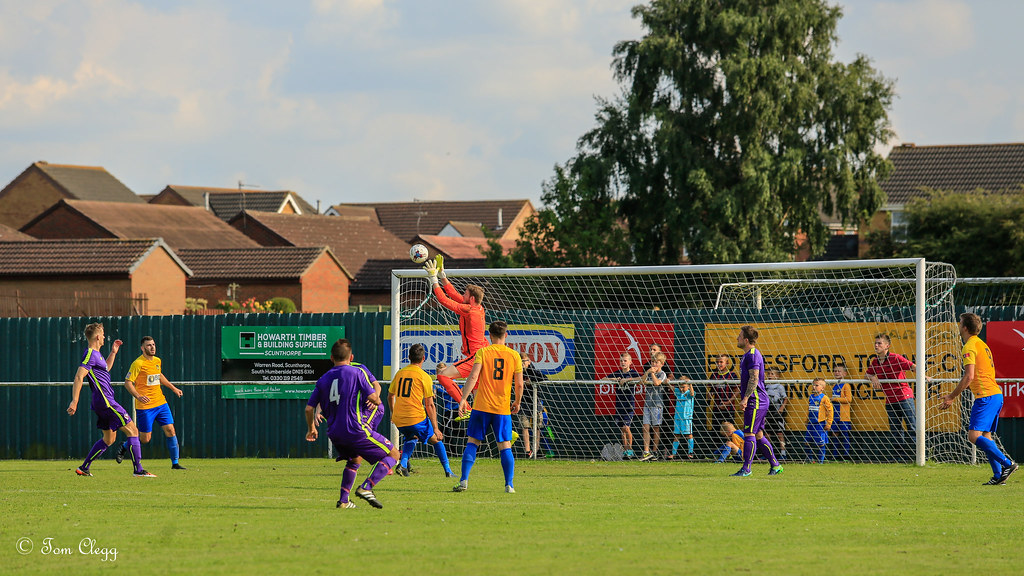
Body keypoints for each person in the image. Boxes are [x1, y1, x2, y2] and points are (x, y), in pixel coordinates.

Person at [305, 338, 399, 509]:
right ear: (351, 357)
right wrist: (377, 400)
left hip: (334, 433)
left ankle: (343, 501)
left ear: (331, 358)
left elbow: (309, 409)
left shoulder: (323, 379)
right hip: (355, 429)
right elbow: (374, 398)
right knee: (394, 455)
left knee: (355, 459)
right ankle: (366, 487)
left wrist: (311, 428)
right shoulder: (357, 372)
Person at [66, 323, 155, 478]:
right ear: (97, 337)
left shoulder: (97, 355)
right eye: (103, 334)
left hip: (102, 402)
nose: (104, 337)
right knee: (133, 431)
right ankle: (138, 470)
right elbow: (79, 376)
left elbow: (105, 368)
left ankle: (84, 468)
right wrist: (74, 401)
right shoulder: (90, 354)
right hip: (106, 401)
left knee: (109, 439)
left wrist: (113, 352)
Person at [940, 313, 1018, 485]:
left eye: (960, 322)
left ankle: (1008, 464)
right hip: (995, 395)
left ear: (965, 327)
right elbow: (979, 375)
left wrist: (951, 396)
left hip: (986, 397)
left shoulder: (969, 346)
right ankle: (998, 476)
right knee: (986, 436)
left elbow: (969, 376)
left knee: (973, 436)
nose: (958, 325)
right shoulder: (982, 344)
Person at [452, 321, 524, 494]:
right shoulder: (514, 355)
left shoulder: (483, 352)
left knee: (472, 442)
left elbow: (473, 376)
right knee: (505, 445)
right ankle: (509, 485)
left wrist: (463, 399)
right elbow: (519, 384)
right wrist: (517, 401)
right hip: (502, 408)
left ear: (489, 335)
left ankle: (463, 481)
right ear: (506, 335)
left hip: (481, 406)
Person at [424, 255, 486, 415]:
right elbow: (453, 294)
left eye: (465, 294)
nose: (462, 296)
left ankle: (465, 407)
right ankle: (485, 421)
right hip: (481, 353)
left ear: (471, 298)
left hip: (475, 356)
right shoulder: (478, 307)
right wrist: (442, 275)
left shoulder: (469, 310)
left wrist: (433, 279)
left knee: (443, 376)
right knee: (479, 400)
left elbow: (444, 300)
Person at [115, 336, 186, 470]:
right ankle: (124, 446)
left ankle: (175, 463)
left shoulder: (157, 361)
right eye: (149, 345)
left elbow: (159, 376)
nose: (152, 347)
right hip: (145, 407)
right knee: (145, 439)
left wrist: (173, 388)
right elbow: (128, 383)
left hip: (161, 403)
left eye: (153, 344)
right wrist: (138, 396)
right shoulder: (138, 363)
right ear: (142, 348)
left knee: (170, 430)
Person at [389, 343, 453, 477]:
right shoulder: (424, 376)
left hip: (399, 419)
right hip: (415, 418)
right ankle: (448, 471)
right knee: (436, 439)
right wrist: (436, 428)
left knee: (412, 437)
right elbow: (430, 405)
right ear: (423, 358)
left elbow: (390, 396)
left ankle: (403, 464)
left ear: (408, 357)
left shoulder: (399, 373)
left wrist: (393, 413)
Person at [732, 326, 783, 477]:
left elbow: (754, 379)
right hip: (756, 400)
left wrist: (745, 398)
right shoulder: (747, 355)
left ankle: (746, 468)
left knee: (749, 434)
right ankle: (776, 465)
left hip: (756, 400)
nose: (737, 338)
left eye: (740, 336)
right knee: (759, 435)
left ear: (746, 340)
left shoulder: (753, 355)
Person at [865, 333, 919, 461]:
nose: (876, 345)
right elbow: (867, 375)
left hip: (904, 397)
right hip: (890, 400)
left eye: (879, 343)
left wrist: (923, 376)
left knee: (912, 427)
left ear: (887, 346)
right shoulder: (875, 361)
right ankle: (899, 458)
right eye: (875, 343)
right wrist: (873, 378)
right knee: (895, 430)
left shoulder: (895, 358)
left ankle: (919, 456)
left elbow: (913, 367)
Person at [606, 352, 641, 459]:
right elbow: (604, 379)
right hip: (619, 405)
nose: (623, 362)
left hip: (629, 405)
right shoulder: (617, 373)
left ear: (630, 362)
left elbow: (641, 379)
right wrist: (616, 379)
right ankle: (625, 450)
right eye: (621, 361)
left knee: (627, 427)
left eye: (625, 361)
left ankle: (630, 449)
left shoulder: (633, 373)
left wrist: (627, 380)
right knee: (622, 429)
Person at [519, 354, 554, 458]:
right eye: (521, 362)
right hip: (523, 401)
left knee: (538, 426)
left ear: (529, 361)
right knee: (524, 425)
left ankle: (536, 450)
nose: (523, 364)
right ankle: (527, 451)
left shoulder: (533, 371)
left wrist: (532, 380)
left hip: (536, 401)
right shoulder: (517, 371)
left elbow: (544, 378)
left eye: (524, 362)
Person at [640, 352, 668, 462]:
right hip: (647, 404)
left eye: (656, 362)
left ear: (662, 363)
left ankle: (655, 451)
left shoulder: (662, 374)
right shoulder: (649, 372)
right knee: (645, 427)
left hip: (657, 405)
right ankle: (646, 451)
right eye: (652, 362)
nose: (654, 364)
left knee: (656, 427)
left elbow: (657, 383)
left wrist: (652, 374)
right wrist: (647, 372)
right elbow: (641, 382)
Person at [804, 378, 834, 464]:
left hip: (820, 423)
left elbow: (830, 411)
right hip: (811, 423)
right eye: (813, 385)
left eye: (816, 385)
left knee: (820, 442)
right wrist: (806, 419)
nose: (814, 387)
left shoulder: (824, 398)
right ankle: (809, 459)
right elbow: (809, 409)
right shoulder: (811, 397)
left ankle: (820, 461)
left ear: (822, 388)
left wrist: (829, 423)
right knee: (807, 442)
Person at [763, 367, 789, 460]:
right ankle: (768, 453)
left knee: (779, 433)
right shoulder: (765, 386)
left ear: (777, 376)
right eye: (768, 374)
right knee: (767, 434)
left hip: (776, 412)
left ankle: (783, 453)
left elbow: (785, 398)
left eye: (772, 374)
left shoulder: (779, 386)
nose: (770, 376)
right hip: (767, 412)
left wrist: (781, 408)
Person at [829, 362, 853, 461]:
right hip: (835, 415)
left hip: (844, 416)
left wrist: (834, 399)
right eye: (835, 371)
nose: (836, 373)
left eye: (839, 371)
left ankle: (846, 455)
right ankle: (835, 455)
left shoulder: (846, 385)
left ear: (845, 373)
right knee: (835, 434)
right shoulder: (835, 385)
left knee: (844, 434)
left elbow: (849, 399)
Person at [709, 354, 738, 430]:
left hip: (729, 408)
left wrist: (728, 402)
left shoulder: (732, 375)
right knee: (715, 429)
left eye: (721, 362)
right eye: (717, 362)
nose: (719, 364)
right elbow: (712, 390)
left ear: (727, 363)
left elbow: (737, 390)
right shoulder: (714, 375)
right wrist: (709, 395)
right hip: (717, 407)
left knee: (729, 429)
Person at [669, 378, 695, 459]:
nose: (681, 389)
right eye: (680, 387)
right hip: (677, 418)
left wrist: (690, 384)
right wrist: (668, 382)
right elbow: (672, 388)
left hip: (687, 418)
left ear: (688, 386)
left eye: (683, 387)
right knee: (676, 435)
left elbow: (692, 394)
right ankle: (673, 453)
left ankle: (690, 452)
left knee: (689, 435)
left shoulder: (689, 393)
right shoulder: (678, 392)